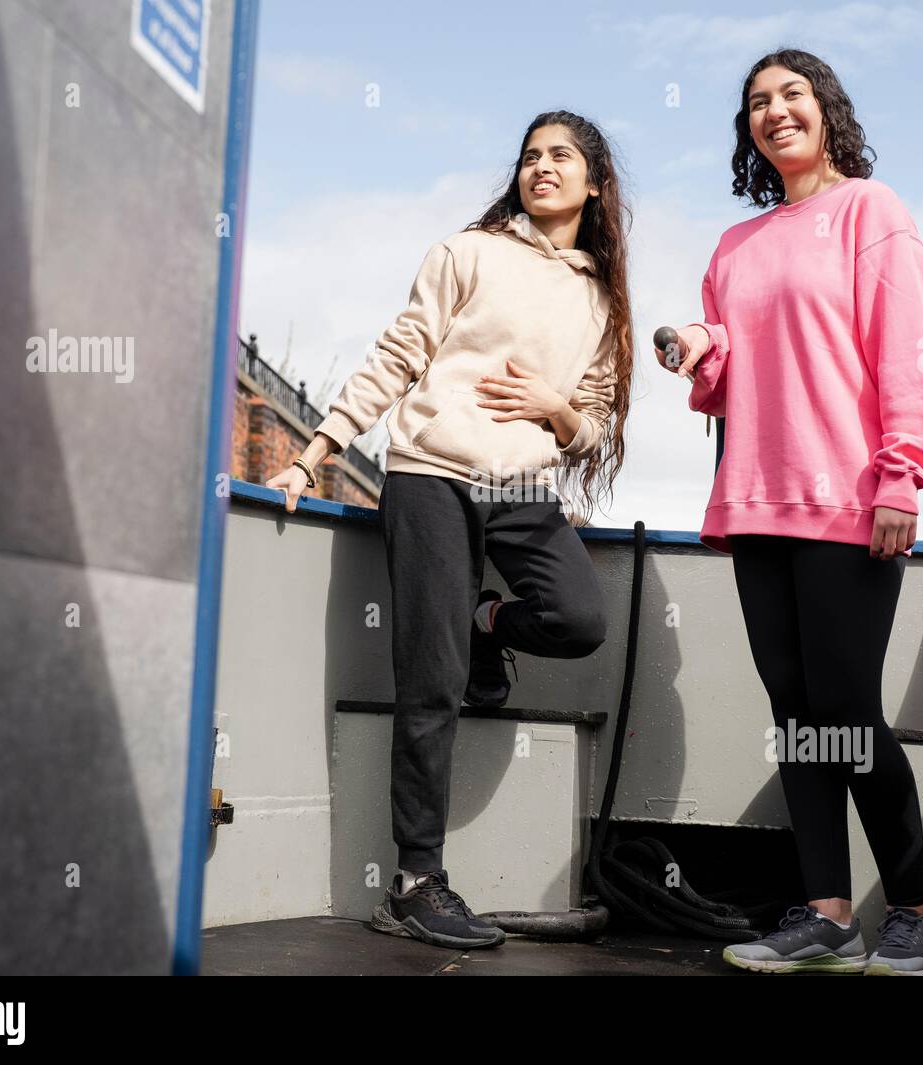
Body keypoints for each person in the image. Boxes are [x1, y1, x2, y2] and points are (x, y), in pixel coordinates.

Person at [267, 111, 633, 950]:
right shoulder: (466, 253)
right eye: (531, 155)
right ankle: (414, 881)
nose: (542, 166)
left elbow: (597, 425)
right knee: (431, 680)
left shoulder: (602, 298)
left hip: (524, 485)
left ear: (594, 183)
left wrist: (556, 412)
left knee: (580, 618)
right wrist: (313, 454)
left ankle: (485, 623)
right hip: (432, 475)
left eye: (562, 156)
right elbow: (399, 354)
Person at [656, 50, 923, 974]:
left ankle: (913, 910)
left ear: (825, 109)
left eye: (791, 95)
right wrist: (697, 343)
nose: (774, 111)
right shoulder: (734, 247)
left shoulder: (873, 211)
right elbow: (729, 371)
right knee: (796, 713)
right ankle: (827, 912)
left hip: (852, 499)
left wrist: (903, 475)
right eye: (757, 103)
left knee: (848, 710)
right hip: (755, 502)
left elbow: (903, 350)